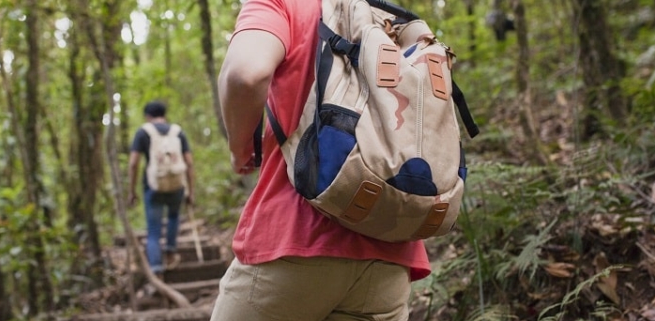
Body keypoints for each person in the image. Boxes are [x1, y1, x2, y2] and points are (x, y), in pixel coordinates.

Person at [211, 1, 431, 320]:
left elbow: (245, 74)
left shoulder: (282, 4)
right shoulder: (392, 17)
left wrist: (239, 147)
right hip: (390, 249)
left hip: (296, 238)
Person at [128, 100, 195, 275]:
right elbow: (189, 163)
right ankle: (171, 252)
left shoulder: (143, 132)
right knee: (174, 217)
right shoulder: (178, 132)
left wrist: (131, 190)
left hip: (153, 186)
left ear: (147, 116)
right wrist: (191, 191)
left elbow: (133, 163)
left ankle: (157, 268)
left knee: (153, 230)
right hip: (177, 185)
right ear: (164, 115)